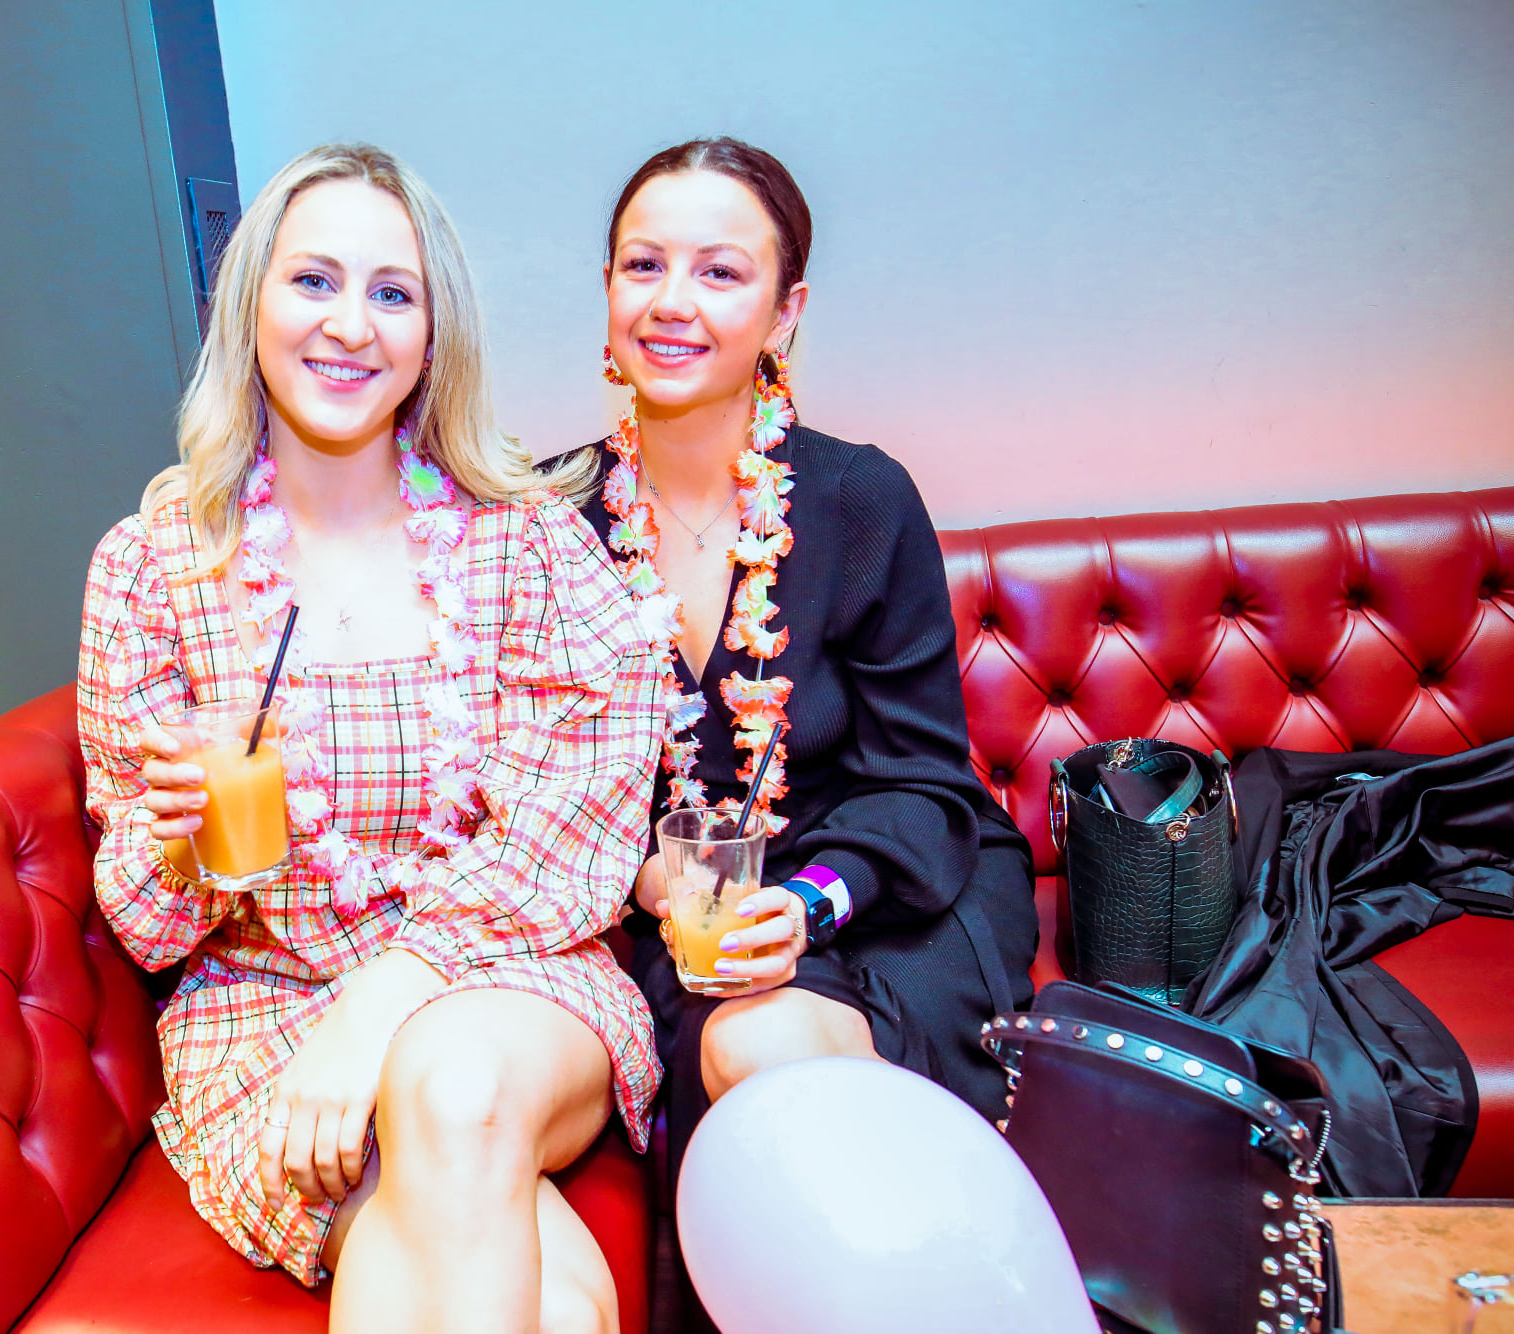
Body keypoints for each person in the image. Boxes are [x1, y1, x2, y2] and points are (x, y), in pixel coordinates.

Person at [77, 143, 665, 1334]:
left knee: (449, 1081)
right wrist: (187, 839)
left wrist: (383, 1002)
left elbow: (579, 832)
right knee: (554, 1306)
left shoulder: (524, 542)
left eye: (392, 292)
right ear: (248, 306)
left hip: (505, 981)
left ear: (432, 334)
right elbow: (142, 922)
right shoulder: (152, 568)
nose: (350, 325)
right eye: (312, 281)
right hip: (269, 1012)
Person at [553, 137, 1039, 1324]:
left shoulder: (859, 499)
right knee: (738, 1041)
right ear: (606, 292)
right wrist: (652, 877)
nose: (671, 302)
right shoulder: (548, 522)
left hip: (884, 886)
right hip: (679, 915)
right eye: (642, 265)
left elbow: (922, 783)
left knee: (766, 1048)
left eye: (719, 272)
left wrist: (808, 902)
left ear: (784, 312)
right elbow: (533, 792)